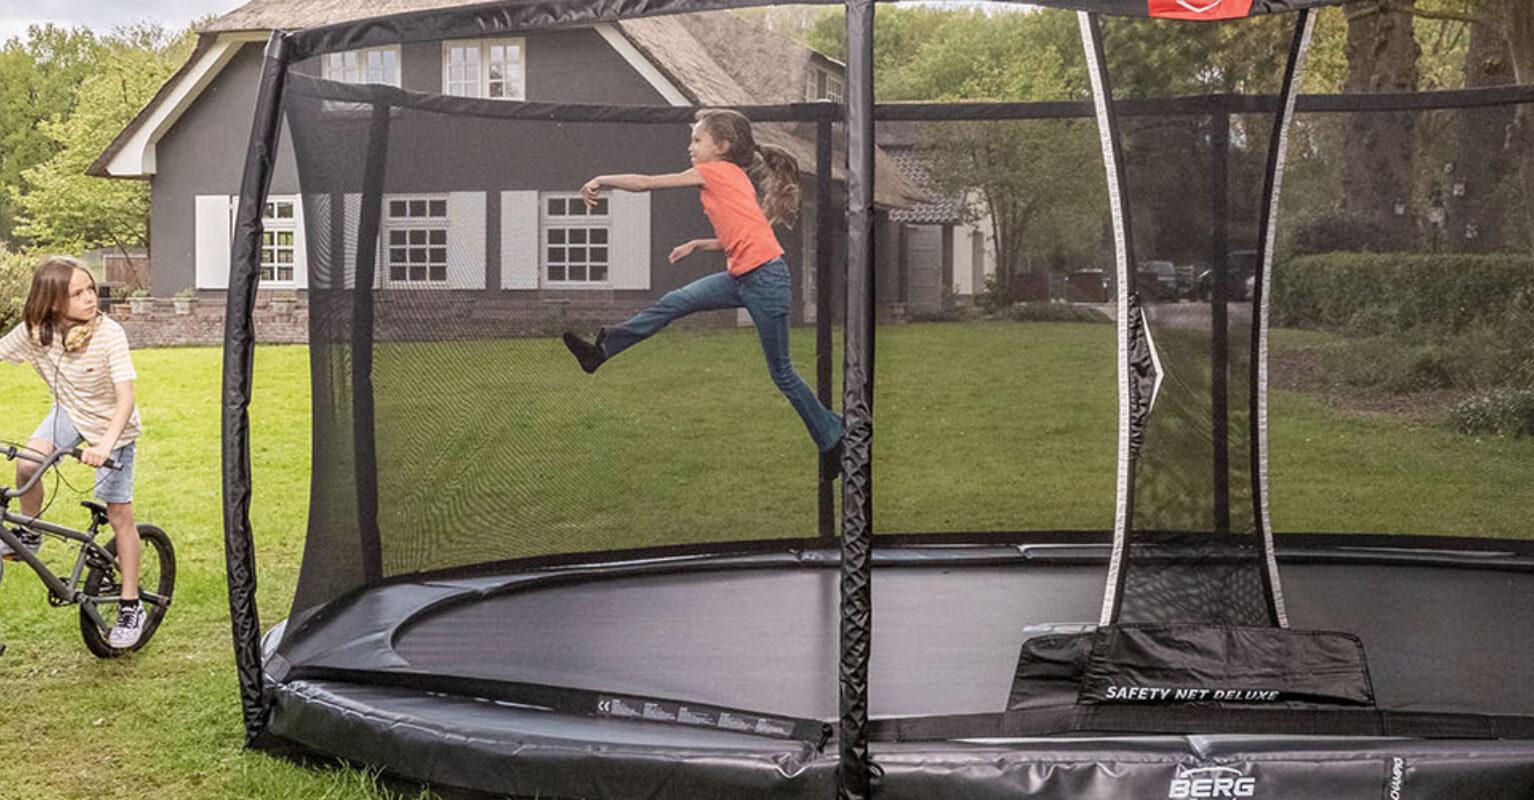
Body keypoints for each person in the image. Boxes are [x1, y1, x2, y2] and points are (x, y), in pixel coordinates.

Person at [562, 108, 844, 461]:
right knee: (675, 301)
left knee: (782, 372)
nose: (690, 146)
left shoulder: (714, 171)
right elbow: (745, 235)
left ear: (723, 145)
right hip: (742, 277)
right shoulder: (735, 177)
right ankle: (600, 352)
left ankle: (832, 435)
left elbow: (647, 183)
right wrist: (698, 244)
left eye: (698, 140)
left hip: (766, 280)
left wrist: (601, 179)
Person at [0, 256, 147, 648]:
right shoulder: (35, 332)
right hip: (69, 415)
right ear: (51, 302)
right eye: (77, 293)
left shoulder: (108, 334)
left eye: (89, 290)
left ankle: (131, 604)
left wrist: (105, 445)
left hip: (112, 429)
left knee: (119, 514)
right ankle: (30, 532)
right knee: (29, 461)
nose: (89, 299)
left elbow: (125, 399)